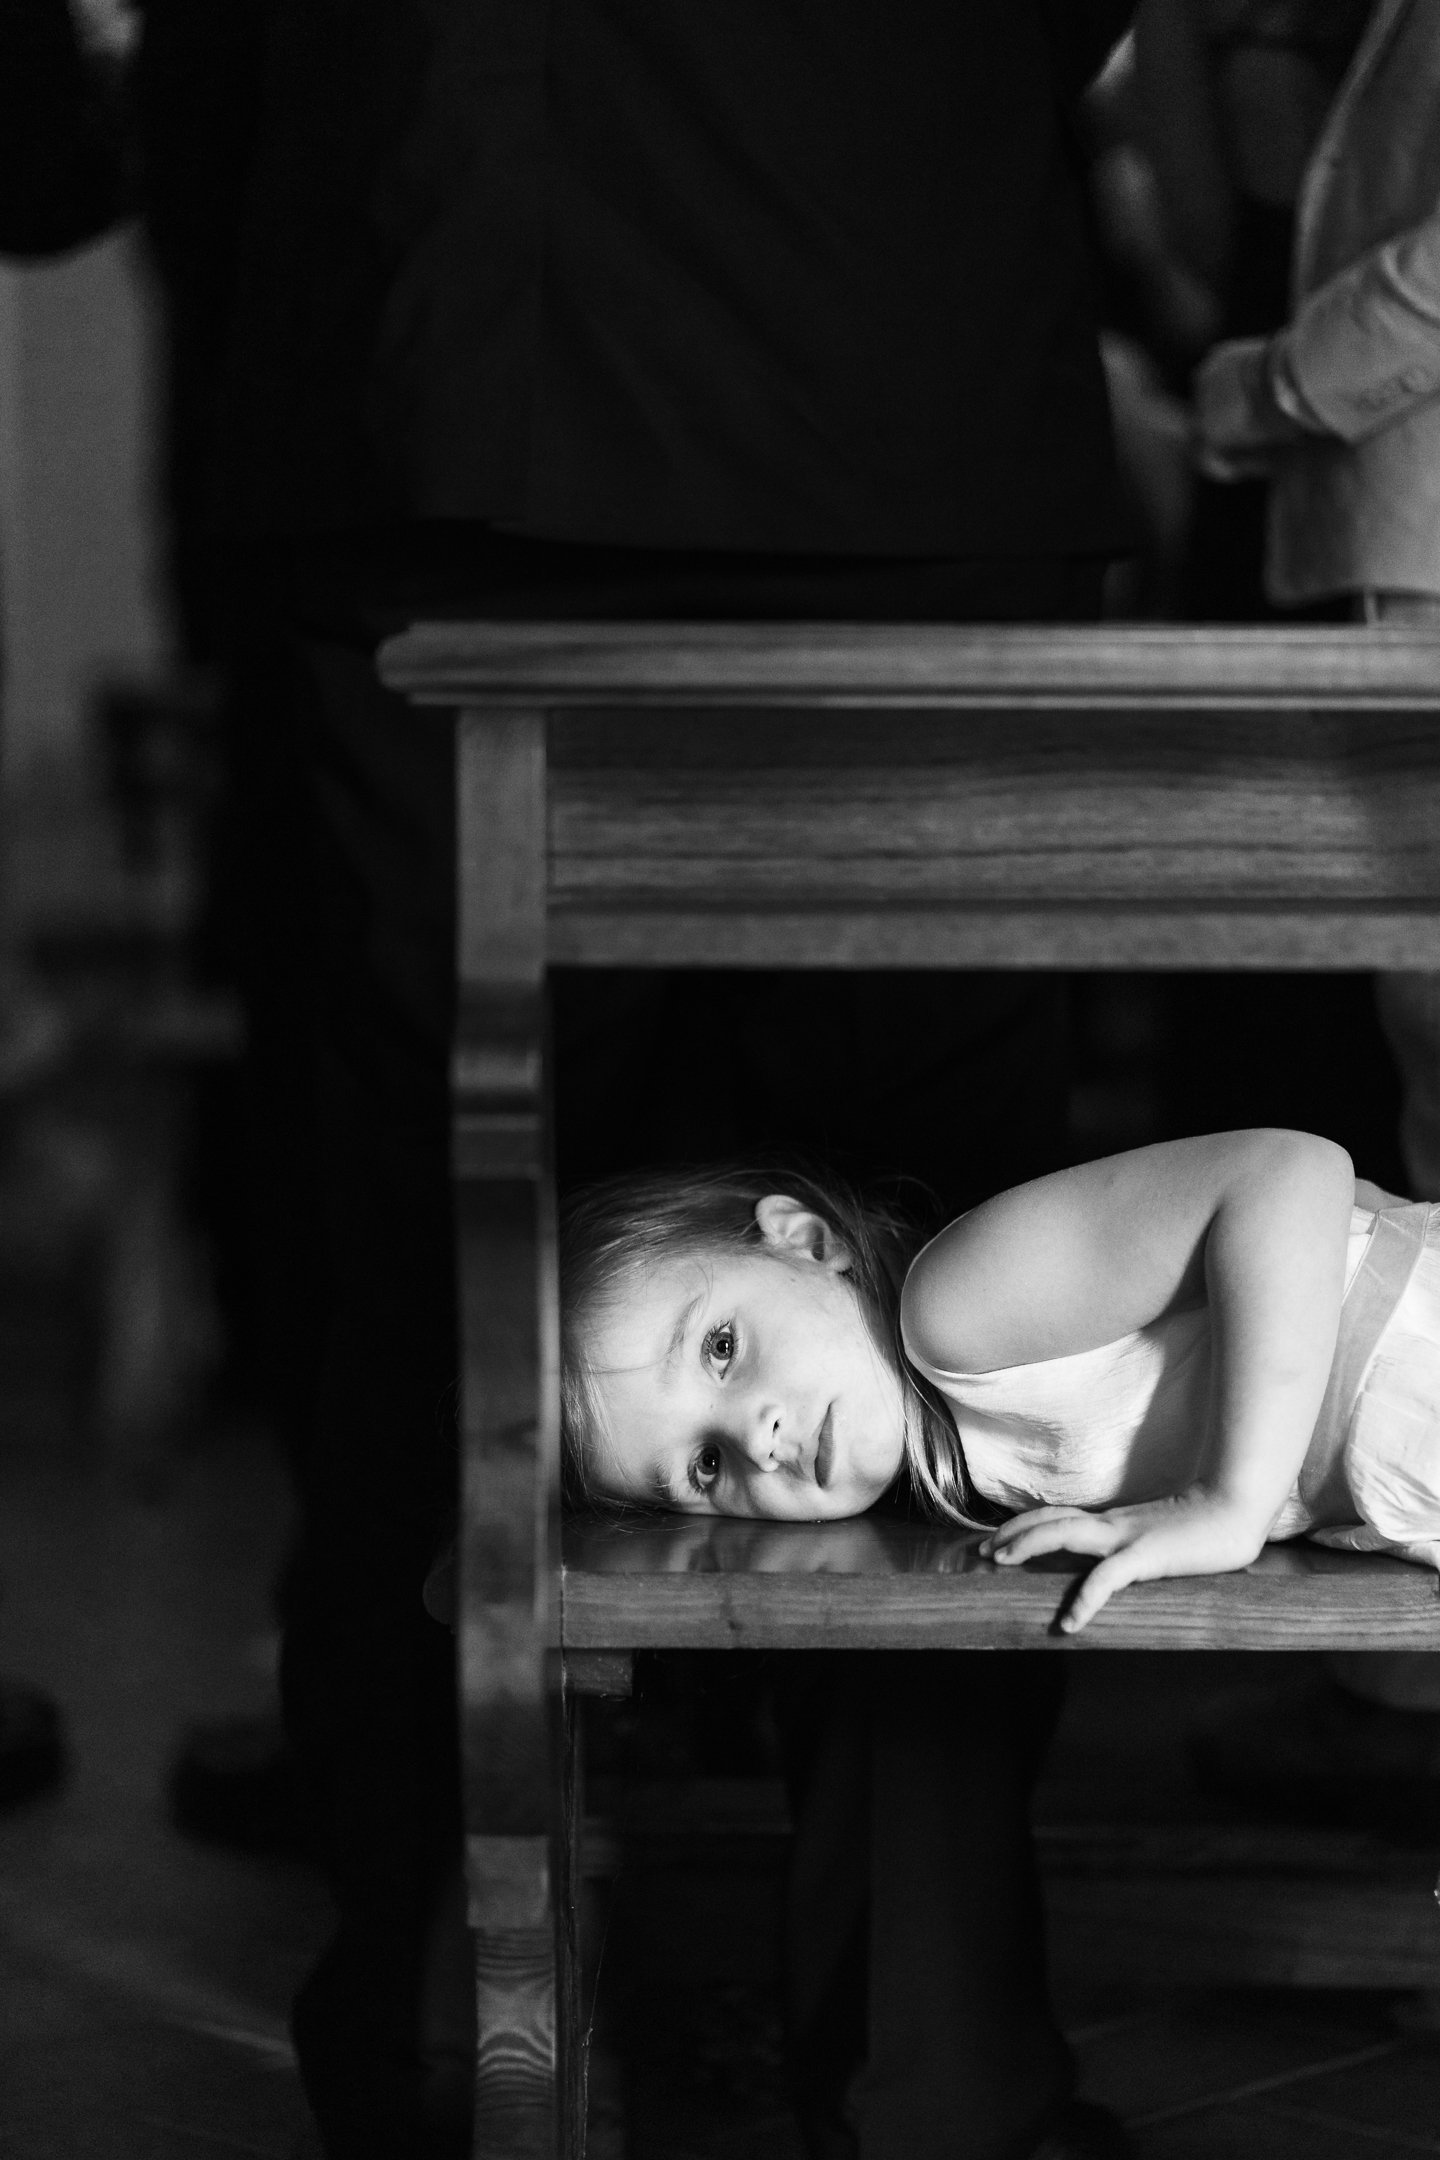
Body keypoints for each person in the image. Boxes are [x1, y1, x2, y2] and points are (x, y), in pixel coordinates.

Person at [561, 1128, 1440, 1627]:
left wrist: (1229, 1504)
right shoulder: (972, 1468)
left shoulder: (955, 1305)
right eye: (705, 1466)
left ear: (807, 1242)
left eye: (719, 1347)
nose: (757, 1440)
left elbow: (1291, 1172)